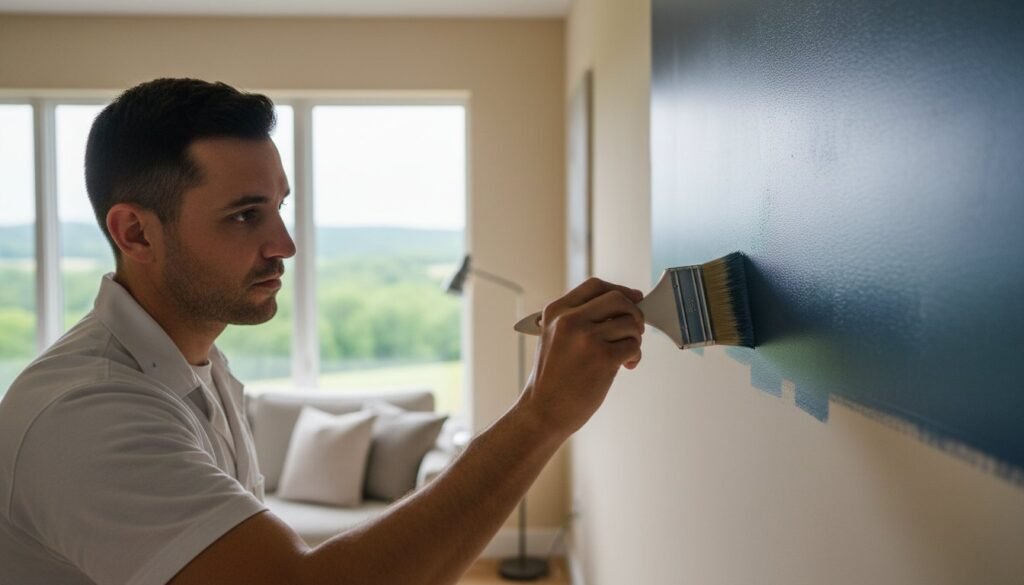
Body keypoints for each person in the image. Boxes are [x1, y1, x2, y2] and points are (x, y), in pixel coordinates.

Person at [0, 78, 644, 585]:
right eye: (245, 215)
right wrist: (541, 416)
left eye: (278, 207)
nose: (284, 244)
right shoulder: (89, 415)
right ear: (135, 232)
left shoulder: (200, 368)